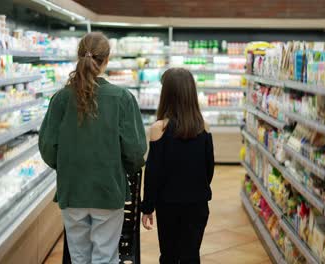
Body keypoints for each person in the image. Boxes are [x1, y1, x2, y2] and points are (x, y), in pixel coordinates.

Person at [39, 32, 147, 264]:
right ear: (107, 60)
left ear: (78, 57)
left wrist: (67, 164)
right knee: (105, 257)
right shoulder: (122, 98)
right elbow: (136, 151)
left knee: (78, 257)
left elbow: (47, 147)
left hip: (72, 190)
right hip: (108, 189)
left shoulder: (60, 99)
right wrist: (123, 168)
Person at [141, 68, 215, 264]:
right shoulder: (204, 126)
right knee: (191, 255)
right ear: (191, 93)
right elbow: (209, 169)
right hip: (197, 204)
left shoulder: (159, 129)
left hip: (168, 205)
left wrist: (147, 206)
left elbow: (153, 173)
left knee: (169, 255)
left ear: (167, 94)